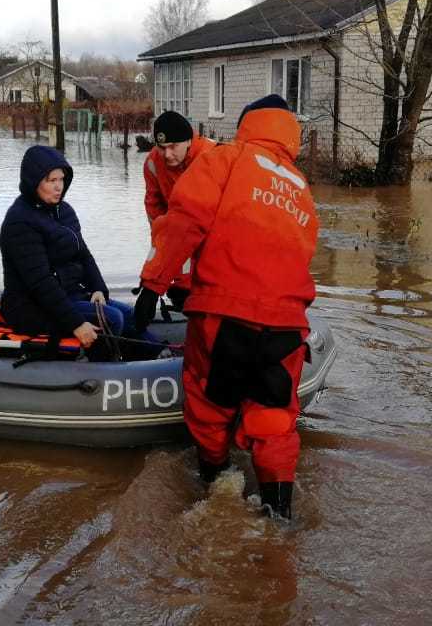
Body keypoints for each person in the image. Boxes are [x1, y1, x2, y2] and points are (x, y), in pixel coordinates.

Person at [133, 95, 318, 520]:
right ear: (291, 134)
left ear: (245, 125)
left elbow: (183, 221)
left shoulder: (224, 159)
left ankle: (217, 489)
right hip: (287, 325)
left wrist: (151, 286)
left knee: (209, 403)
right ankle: (278, 515)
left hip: (225, 312)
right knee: (273, 417)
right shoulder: (300, 187)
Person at [0, 144, 153, 354]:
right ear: (34, 181)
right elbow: (40, 282)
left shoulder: (64, 211)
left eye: (61, 179)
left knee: (131, 315)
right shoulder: (20, 222)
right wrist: (76, 323)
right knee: (112, 319)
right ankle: (104, 373)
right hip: (33, 308)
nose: (58, 187)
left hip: (72, 293)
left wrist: (98, 287)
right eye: (51, 180)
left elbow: (83, 254)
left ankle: (161, 355)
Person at [143, 111, 215, 311]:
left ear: (188, 141)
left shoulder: (212, 158)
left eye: (173, 147)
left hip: (215, 230)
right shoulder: (152, 163)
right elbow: (159, 223)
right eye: (161, 147)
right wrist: (160, 275)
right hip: (180, 227)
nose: (167, 154)